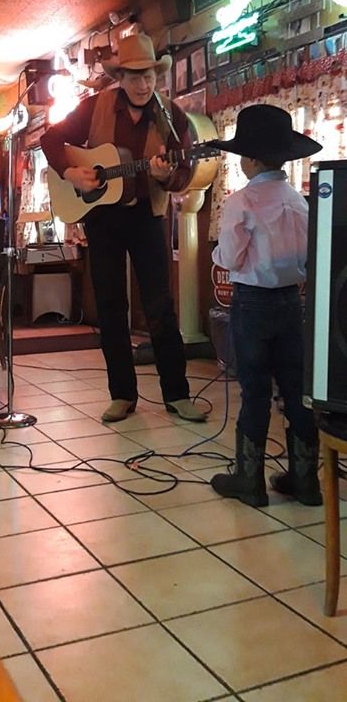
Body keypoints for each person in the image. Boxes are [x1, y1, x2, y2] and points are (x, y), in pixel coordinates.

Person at [41, 32, 208, 424]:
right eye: (135, 76)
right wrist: (71, 172)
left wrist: (166, 176)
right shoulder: (94, 107)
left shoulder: (171, 116)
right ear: (120, 77)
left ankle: (177, 395)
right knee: (111, 306)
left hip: (147, 216)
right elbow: (51, 139)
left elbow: (184, 174)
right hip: (102, 218)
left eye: (149, 76)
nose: (143, 84)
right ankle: (122, 394)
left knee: (160, 305)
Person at [209, 103, 323, 508]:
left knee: (255, 390)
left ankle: (250, 480)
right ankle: (306, 481)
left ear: (252, 159)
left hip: (253, 305)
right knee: (296, 389)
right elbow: (308, 257)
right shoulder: (299, 201)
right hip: (292, 304)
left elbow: (231, 257)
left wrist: (218, 256)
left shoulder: (241, 202)